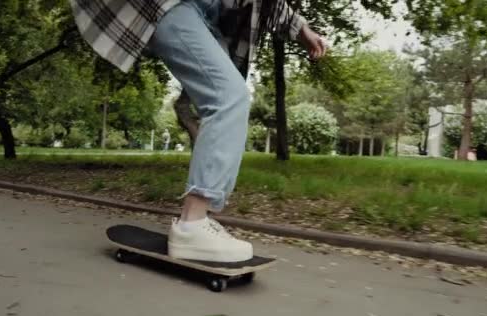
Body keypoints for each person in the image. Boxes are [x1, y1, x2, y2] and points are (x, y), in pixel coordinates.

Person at [71, 0, 327, 262]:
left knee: (232, 98)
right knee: (228, 97)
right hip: (175, 6)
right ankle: (192, 225)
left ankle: (197, 220)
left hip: (205, 15)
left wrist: (300, 27)